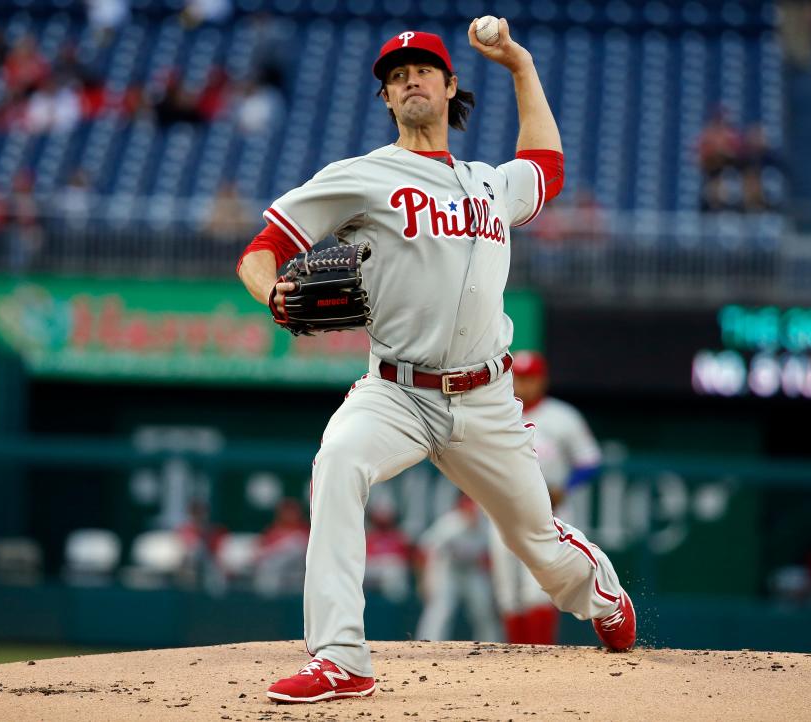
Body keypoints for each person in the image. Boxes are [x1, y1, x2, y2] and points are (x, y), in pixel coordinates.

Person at [236, 20, 636, 705]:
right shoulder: (359, 176)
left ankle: (597, 591)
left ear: (450, 87)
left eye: (421, 70)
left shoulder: (489, 185)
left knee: (534, 541)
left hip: (485, 399)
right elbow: (262, 247)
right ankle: (340, 657)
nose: (408, 80)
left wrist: (520, 65)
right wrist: (270, 291)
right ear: (387, 101)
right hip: (395, 391)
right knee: (336, 463)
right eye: (395, 77)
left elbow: (547, 167)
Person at [488, 351, 603, 645]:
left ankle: (539, 657)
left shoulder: (562, 416)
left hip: (549, 510)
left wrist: (566, 486)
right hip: (502, 509)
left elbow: (589, 461)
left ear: (542, 380)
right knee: (507, 593)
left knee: (535, 588)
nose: (524, 385)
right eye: (519, 378)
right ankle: (515, 658)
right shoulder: (496, 413)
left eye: (530, 378)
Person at [415, 494, 500, 642]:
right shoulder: (450, 523)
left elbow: (491, 558)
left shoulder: (485, 526)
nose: (472, 512)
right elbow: (425, 550)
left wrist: (494, 586)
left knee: (483, 609)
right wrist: (425, 580)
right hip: (447, 569)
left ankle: (490, 645)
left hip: (472, 570)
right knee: (440, 610)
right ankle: (426, 644)